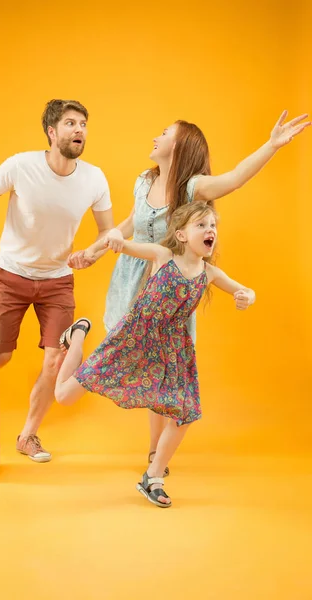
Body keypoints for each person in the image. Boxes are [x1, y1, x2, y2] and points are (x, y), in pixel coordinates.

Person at [68, 109, 310, 476]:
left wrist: (271, 145)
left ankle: (154, 455)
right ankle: (77, 352)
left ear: (178, 146)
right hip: (133, 278)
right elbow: (128, 226)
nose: (156, 137)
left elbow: (234, 179)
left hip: (167, 285)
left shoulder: (191, 187)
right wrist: (92, 251)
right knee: (127, 356)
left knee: (160, 367)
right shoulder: (143, 180)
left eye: (164, 132)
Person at [55, 201, 255, 508]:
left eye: (212, 225)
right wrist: (117, 241)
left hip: (174, 350)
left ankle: (153, 476)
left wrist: (246, 296)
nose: (210, 230)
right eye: (201, 225)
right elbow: (129, 246)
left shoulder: (210, 273)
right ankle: (77, 335)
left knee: (186, 410)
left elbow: (246, 290)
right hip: (133, 339)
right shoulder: (164, 256)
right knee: (64, 397)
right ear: (182, 235)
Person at [0, 99, 115, 463]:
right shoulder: (21, 165)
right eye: (71, 123)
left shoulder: (94, 178)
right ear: (52, 132)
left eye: (83, 124)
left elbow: (108, 232)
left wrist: (90, 253)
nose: (79, 130)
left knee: (55, 361)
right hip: (11, 274)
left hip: (58, 282)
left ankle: (28, 436)